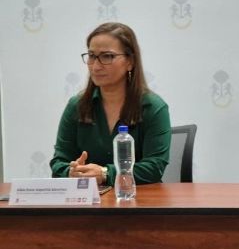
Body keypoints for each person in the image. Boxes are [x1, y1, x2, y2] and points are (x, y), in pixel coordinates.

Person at [50, 22, 171, 185]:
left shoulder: (153, 107)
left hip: (138, 201)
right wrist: (72, 172)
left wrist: (105, 173)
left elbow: (154, 167)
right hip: (88, 203)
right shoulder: (77, 106)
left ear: (130, 61)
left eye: (107, 56)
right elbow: (59, 163)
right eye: (92, 56)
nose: (96, 66)